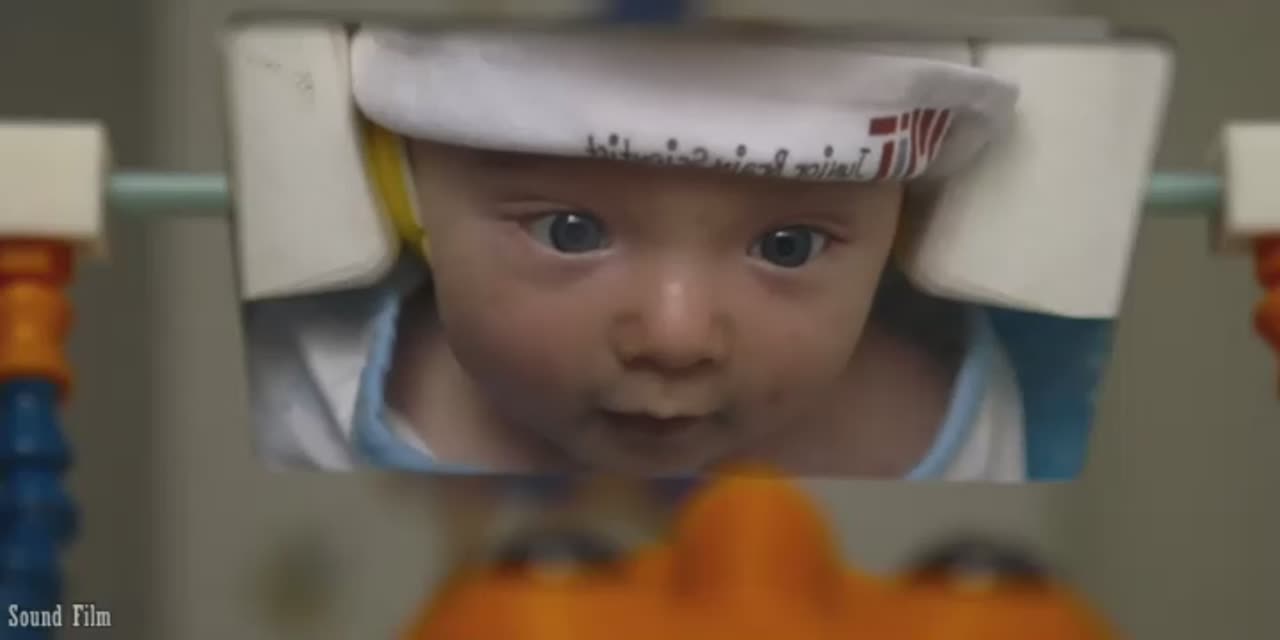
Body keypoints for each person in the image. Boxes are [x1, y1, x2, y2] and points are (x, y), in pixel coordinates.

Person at [245, 25, 1029, 481]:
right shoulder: (307, 402)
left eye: (787, 247)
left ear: (903, 226)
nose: (674, 337)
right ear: (406, 198)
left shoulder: (946, 433)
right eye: (570, 232)